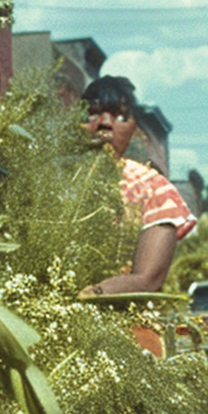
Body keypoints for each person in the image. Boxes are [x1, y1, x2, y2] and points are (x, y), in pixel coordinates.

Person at [81, 77, 193, 296]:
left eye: (120, 117)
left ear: (135, 130)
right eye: (92, 113)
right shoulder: (50, 179)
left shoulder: (151, 188)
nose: (105, 123)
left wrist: (95, 293)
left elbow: (149, 279)